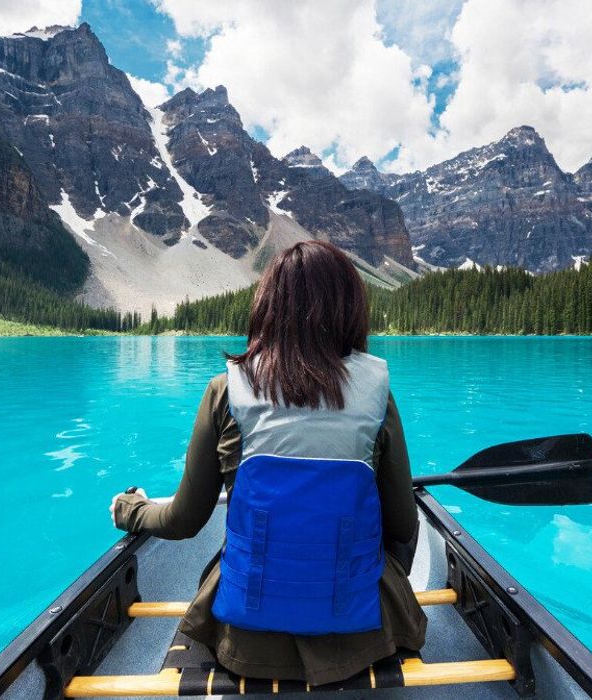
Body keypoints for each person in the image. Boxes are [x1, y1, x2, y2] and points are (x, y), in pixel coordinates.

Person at [109, 240, 426, 687]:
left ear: (267, 309)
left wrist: (132, 509)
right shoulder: (377, 396)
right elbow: (403, 524)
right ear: (349, 311)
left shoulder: (225, 392)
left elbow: (184, 520)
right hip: (363, 634)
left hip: (244, 639)